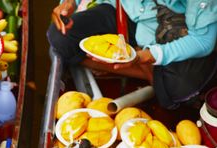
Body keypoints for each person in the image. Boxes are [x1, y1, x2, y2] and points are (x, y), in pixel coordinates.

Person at [48, 0, 217, 109]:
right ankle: (148, 73)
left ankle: (147, 69)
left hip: (180, 24)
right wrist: (70, 3)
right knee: (60, 36)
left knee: (178, 89)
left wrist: (148, 56)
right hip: (129, 10)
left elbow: (202, 40)